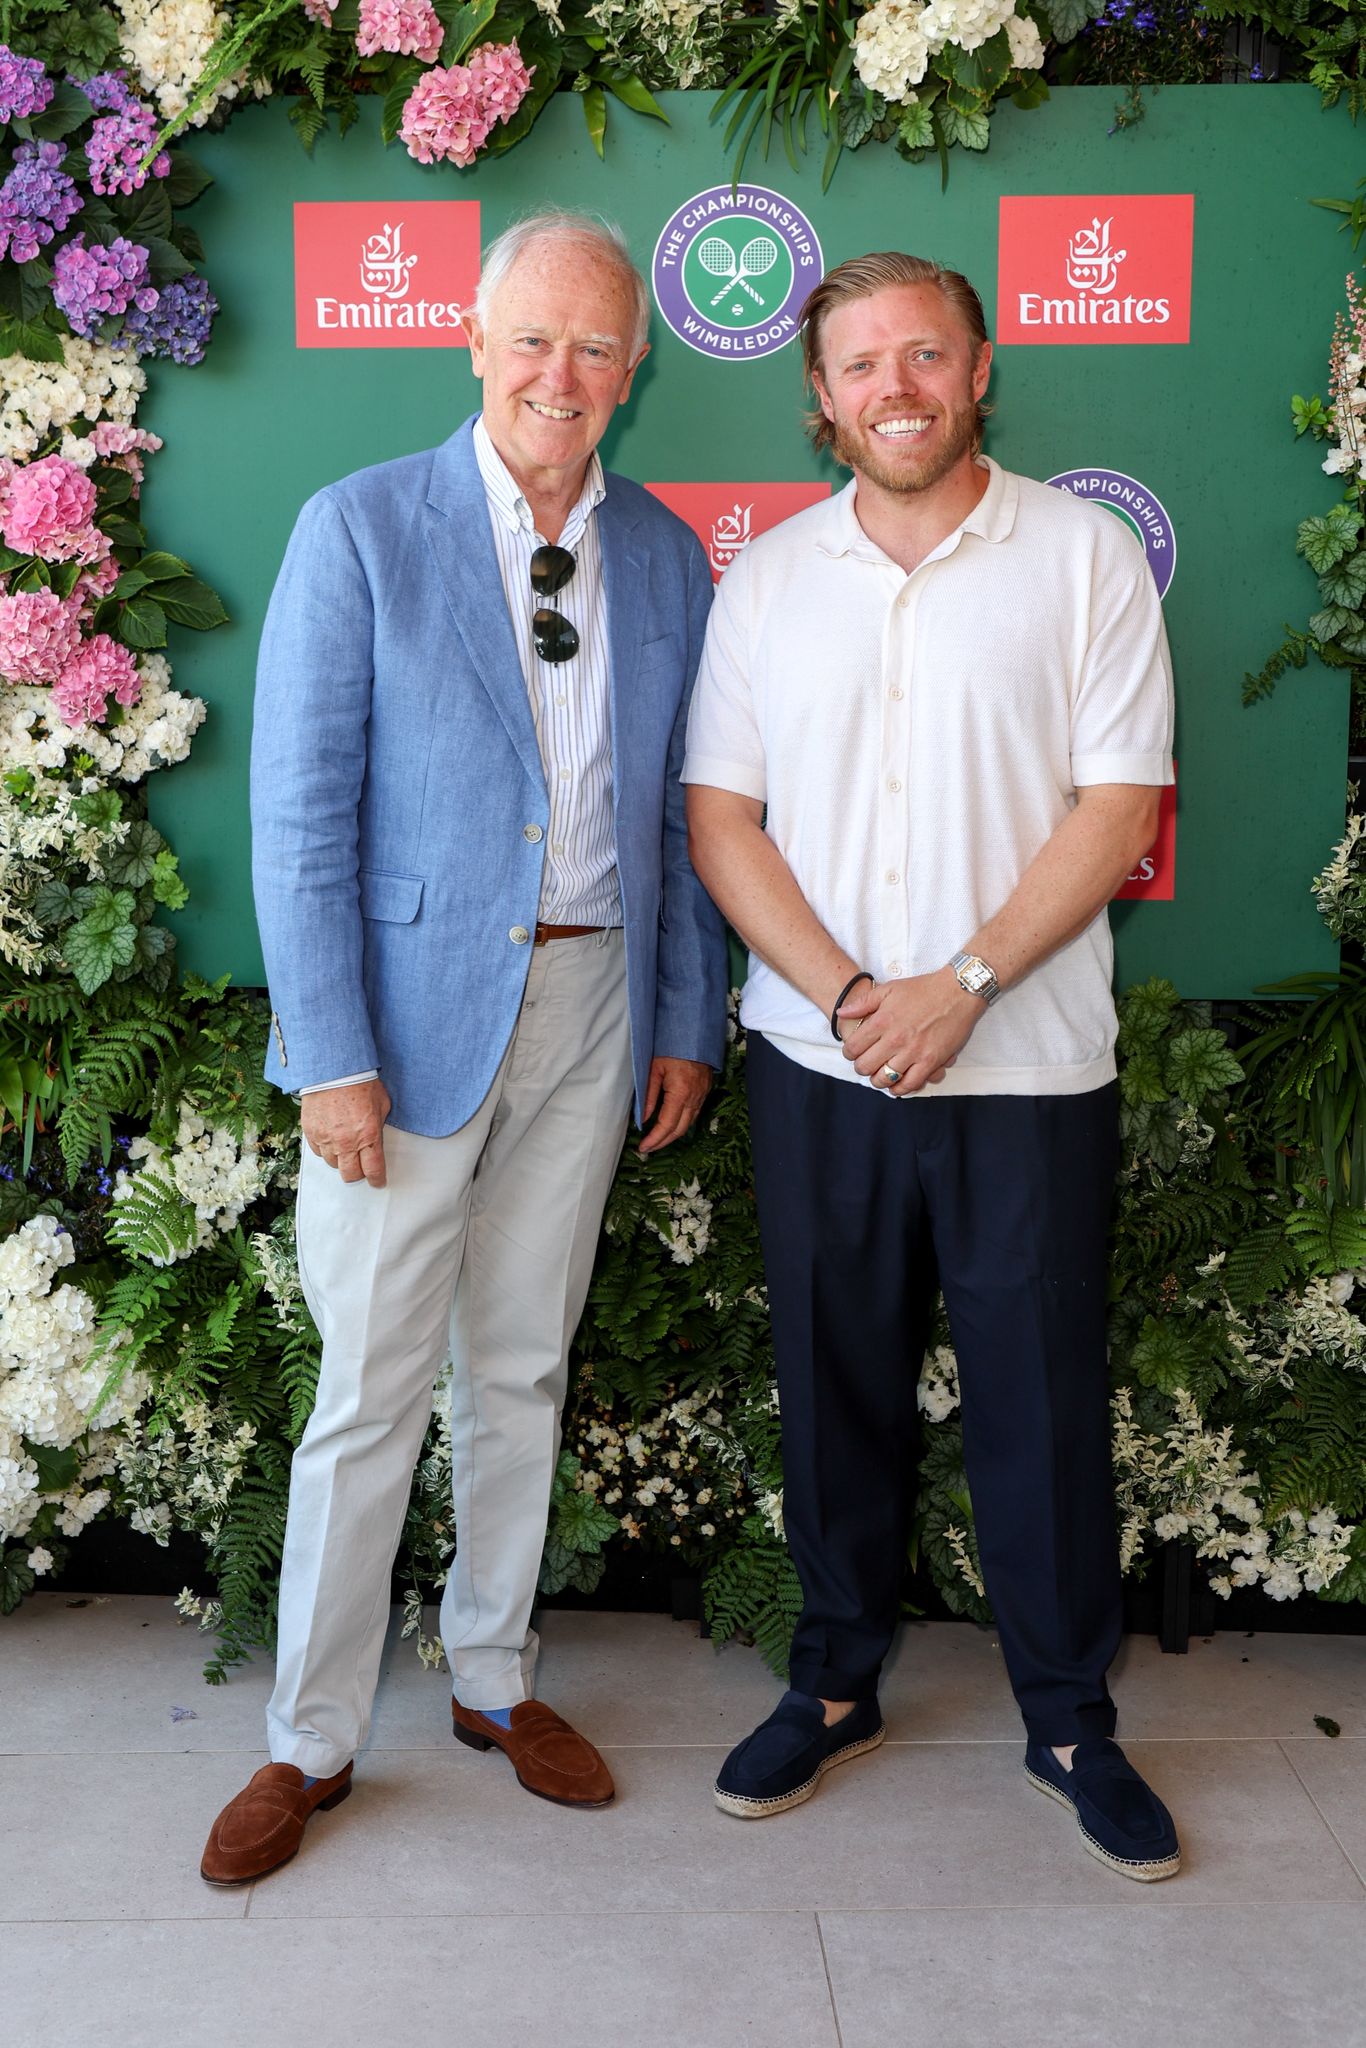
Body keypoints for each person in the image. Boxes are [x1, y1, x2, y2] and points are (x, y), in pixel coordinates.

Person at [200, 210, 726, 1886]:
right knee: (367, 1389)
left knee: (518, 1366)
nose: (560, 374)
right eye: (532, 339)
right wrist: (329, 1056)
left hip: (594, 1008)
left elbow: (679, 815)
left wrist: (683, 1016)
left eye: (595, 346)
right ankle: (309, 1738)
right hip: (404, 1025)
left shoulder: (664, 554)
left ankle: (495, 1677)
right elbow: (298, 821)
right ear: (475, 346)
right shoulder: (360, 527)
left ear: (632, 370)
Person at [683, 251, 1180, 1881]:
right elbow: (721, 820)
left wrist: (960, 985)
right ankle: (833, 1685)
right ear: (818, 400)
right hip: (818, 1063)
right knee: (833, 1387)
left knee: (1038, 1401)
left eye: (922, 355)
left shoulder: (1085, 557)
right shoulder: (767, 581)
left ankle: (1067, 1718)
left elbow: (1117, 806)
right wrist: (848, 999)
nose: (892, 387)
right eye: (858, 364)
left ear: (977, 373)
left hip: (1024, 1063)